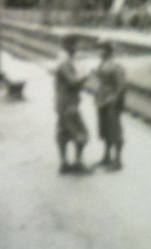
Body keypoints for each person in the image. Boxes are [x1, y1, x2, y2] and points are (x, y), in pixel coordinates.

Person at [51, 34, 89, 174]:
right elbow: (72, 83)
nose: (77, 49)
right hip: (69, 104)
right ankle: (78, 163)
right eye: (75, 46)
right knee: (82, 133)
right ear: (70, 47)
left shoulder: (61, 61)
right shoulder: (65, 64)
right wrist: (84, 76)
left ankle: (64, 164)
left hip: (62, 104)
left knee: (63, 133)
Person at [91, 41, 127, 169]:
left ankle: (118, 160)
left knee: (115, 129)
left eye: (101, 49)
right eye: (99, 49)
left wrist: (115, 99)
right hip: (102, 100)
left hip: (111, 100)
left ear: (108, 51)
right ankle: (106, 156)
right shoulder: (103, 63)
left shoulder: (115, 66)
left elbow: (121, 85)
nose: (99, 52)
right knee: (105, 128)